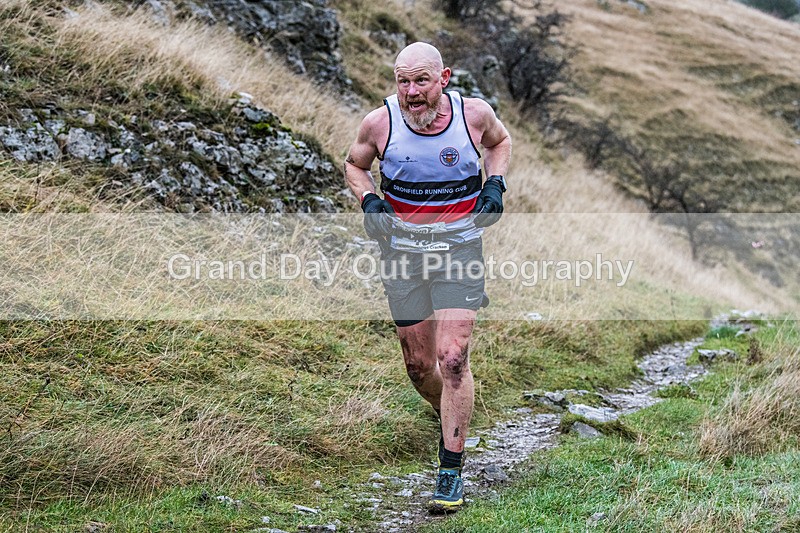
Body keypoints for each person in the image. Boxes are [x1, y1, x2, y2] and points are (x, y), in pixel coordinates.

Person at [344, 42, 511, 513]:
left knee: (453, 359)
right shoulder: (379, 124)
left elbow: (500, 143)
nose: (411, 92)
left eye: (421, 81)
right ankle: (454, 413)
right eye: (402, 81)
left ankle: (450, 471)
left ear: (444, 78)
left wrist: (495, 186)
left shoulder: (474, 115)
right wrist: (370, 201)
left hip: (459, 248)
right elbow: (354, 166)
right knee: (421, 368)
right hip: (402, 255)